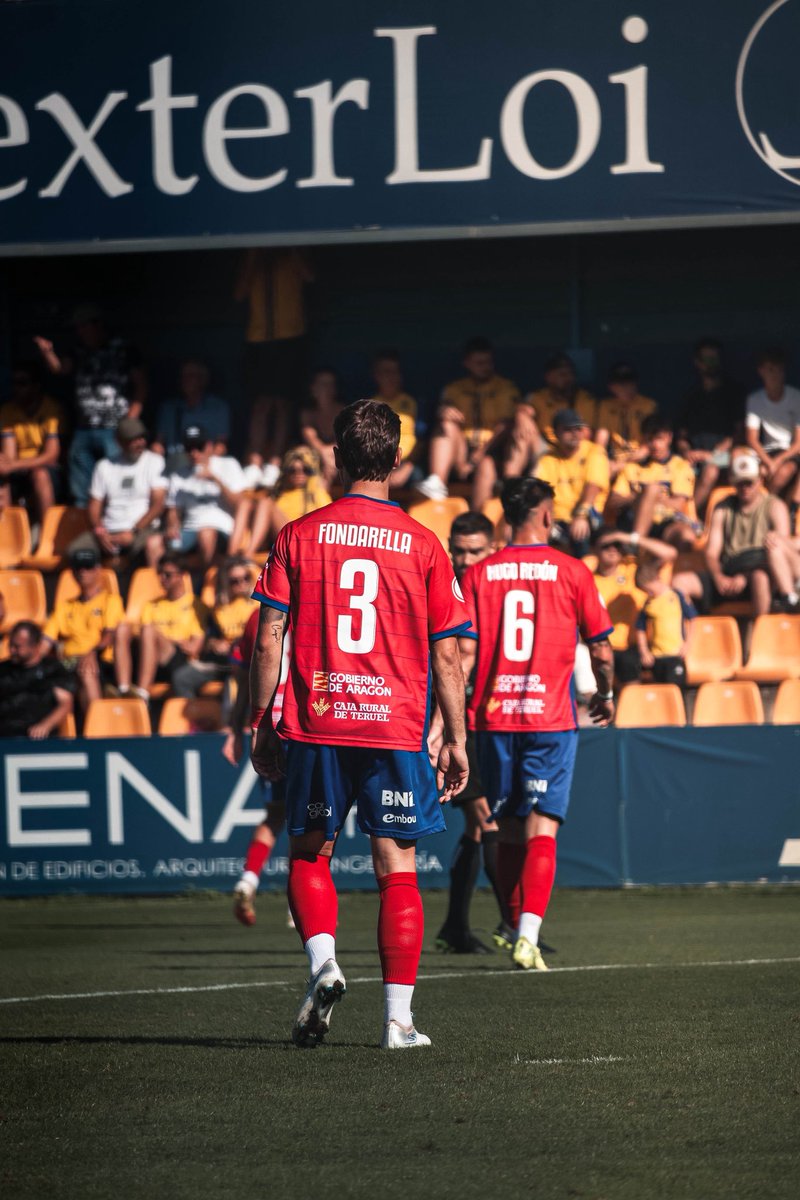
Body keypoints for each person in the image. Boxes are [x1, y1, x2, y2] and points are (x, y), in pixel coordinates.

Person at [250, 399, 470, 1050]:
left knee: (309, 853)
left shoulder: (297, 533)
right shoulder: (425, 543)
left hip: (318, 720)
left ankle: (324, 965)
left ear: (337, 458)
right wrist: (454, 735)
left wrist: (263, 720)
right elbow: (450, 653)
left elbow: (268, 640)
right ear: (398, 459)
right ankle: (398, 1023)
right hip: (395, 725)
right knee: (396, 865)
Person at [459, 477, 614, 972]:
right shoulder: (572, 571)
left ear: (506, 516)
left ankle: (510, 924)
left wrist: (446, 716)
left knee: (503, 829)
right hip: (550, 719)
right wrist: (606, 693)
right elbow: (602, 647)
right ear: (547, 515)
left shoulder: (480, 574)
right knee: (542, 826)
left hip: (492, 719)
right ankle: (527, 935)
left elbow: (461, 651)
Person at [431, 512, 512, 955]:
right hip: (456, 723)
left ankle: (454, 928)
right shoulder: (448, 586)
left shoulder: (486, 586)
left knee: (479, 827)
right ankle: (515, 925)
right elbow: (461, 659)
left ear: (491, 549)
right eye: (458, 550)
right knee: (486, 819)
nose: (464, 559)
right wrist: (442, 728)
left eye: (474, 551)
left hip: (483, 719)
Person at [35, 304, 147, 507]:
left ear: (97, 325)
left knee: (116, 479)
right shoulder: (78, 350)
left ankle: (115, 523)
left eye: (83, 326)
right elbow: (60, 369)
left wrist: (130, 421)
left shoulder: (122, 348)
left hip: (115, 428)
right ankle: (83, 526)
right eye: (77, 327)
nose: (80, 331)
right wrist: (48, 353)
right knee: (81, 484)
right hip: (84, 427)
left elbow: (140, 385)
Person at [672, 451, 800, 617]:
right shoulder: (722, 507)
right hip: (729, 569)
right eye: (740, 483)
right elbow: (711, 552)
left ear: (760, 481)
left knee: (759, 577)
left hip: (762, 569)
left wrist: (745, 577)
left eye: (749, 482)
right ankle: (690, 633)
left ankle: (763, 634)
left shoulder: (775, 506)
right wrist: (718, 577)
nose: (744, 488)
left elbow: (780, 553)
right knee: (679, 582)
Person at [224, 605, 290, 927]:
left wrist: (237, 729)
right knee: (314, 818)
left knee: (276, 813)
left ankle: (247, 880)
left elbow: (243, 675)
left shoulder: (257, 616)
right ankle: (301, 902)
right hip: (307, 723)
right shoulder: (316, 603)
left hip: (270, 724)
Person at [415, 336, 527, 502]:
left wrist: (479, 455)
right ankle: (437, 480)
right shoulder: (454, 389)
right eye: (479, 363)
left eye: (488, 362)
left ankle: (478, 520)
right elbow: (443, 411)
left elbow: (506, 426)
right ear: (467, 363)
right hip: (462, 449)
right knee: (446, 423)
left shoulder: (506, 387)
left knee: (486, 464)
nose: (485, 367)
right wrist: (444, 411)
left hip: (493, 449)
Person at [114, 552, 209, 701]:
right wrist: (173, 639)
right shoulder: (151, 605)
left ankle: (142, 694)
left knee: (149, 630)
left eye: (168, 574)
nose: (162, 578)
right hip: (152, 655)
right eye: (160, 573)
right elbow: (143, 635)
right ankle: (123, 689)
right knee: (123, 628)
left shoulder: (196, 605)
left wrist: (166, 639)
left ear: (182, 575)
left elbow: (193, 647)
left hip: (179, 660)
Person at [591, 528, 677, 685]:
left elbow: (669, 553)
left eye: (617, 545)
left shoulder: (632, 569)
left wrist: (625, 536)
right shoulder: (588, 575)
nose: (612, 549)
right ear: (595, 549)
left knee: (629, 668)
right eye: (607, 545)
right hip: (599, 646)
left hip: (632, 647)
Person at [44, 547, 125, 713]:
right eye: (78, 567)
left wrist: (91, 653)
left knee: (87, 670)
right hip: (68, 661)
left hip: (100, 660)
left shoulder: (111, 601)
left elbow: (108, 636)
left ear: (98, 569)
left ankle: (98, 729)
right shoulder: (64, 606)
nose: (83, 572)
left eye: (88, 567)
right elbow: (46, 641)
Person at [80, 417, 167, 569]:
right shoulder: (104, 466)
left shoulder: (155, 461)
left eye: (142, 437)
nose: (140, 443)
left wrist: (133, 531)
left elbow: (158, 505)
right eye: (133, 439)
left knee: (143, 550)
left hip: (142, 529)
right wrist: (100, 531)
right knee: (77, 552)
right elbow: (94, 505)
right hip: (109, 530)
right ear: (120, 442)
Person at [606, 416, 698, 551]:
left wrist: (650, 500)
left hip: (664, 522)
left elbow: (678, 504)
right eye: (650, 439)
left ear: (669, 437)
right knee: (652, 489)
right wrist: (641, 498)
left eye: (660, 439)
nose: (655, 445)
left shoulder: (680, 466)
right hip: (631, 521)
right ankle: (635, 543)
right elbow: (613, 502)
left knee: (686, 535)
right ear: (643, 440)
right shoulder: (632, 467)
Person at [676, 338, 744, 513]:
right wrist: (686, 452)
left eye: (715, 359)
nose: (711, 364)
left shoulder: (733, 392)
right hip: (694, 457)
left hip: (722, 456)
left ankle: (688, 517)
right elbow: (681, 437)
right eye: (707, 359)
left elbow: (738, 433)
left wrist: (713, 453)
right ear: (697, 362)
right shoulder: (690, 395)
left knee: (711, 470)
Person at [162, 425, 246, 566]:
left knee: (206, 534)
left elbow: (240, 504)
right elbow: (173, 511)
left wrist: (215, 479)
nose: (194, 453)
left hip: (222, 528)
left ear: (209, 445)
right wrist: (172, 526)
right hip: (190, 529)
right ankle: (159, 586)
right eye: (189, 448)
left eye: (199, 447)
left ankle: (208, 585)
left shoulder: (228, 464)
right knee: (154, 543)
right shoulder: (178, 475)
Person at [535, 409, 610, 557]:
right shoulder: (547, 459)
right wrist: (547, 520)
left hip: (587, 513)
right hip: (558, 519)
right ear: (556, 433)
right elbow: (542, 494)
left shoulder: (594, 451)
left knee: (580, 534)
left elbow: (593, 486)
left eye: (578, 429)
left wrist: (581, 515)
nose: (575, 433)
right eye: (568, 430)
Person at [234, 445, 332, 557]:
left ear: (311, 471)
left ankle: (247, 556)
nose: (298, 474)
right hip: (278, 539)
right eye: (292, 470)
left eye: (305, 470)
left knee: (266, 503)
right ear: (285, 471)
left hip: (301, 542)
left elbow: (326, 524)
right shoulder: (278, 493)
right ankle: (232, 555)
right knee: (246, 503)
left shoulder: (317, 493)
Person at [0, 360, 66, 525]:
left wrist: (12, 465)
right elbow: (9, 455)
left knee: (39, 474)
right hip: (18, 469)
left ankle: (47, 535)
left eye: (22, 383)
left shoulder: (51, 409)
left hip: (47, 470)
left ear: (36, 386)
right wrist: (6, 466)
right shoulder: (7, 411)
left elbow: (51, 456)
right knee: (2, 477)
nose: (17, 388)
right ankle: (8, 535)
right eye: (14, 383)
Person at [0, 621, 74, 739]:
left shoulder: (52, 669)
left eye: (17, 647)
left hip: (37, 738)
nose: (12, 650)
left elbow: (66, 703)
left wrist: (45, 725)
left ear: (35, 646)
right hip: (5, 735)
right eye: (11, 645)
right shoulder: (3, 669)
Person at [745, 348, 800, 503]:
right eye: (770, 370)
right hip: (766, 452)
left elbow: (798, 444)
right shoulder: (754, 400)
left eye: (778, 370)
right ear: (761, 371)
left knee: (784, 472)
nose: (774, 374)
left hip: (790, 453)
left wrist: (776, 463)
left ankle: (768, 509)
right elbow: (752, 439)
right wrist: (768, 463)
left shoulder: (796, 397)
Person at [155, 359, 231, 470]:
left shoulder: (218, 408)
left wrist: (202, 460)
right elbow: (158, 443)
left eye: (191, 375)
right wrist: (156, 453)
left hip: (206, 465)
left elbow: (221, 446)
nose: (186, 380)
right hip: (174, 465)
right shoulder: (169, 408)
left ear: (203, 379)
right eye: (183, 376)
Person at [633, 560, 695, 689]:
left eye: (649, 589)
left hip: (676, 654)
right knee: (660, 690)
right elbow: (640, 628)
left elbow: (693, 619)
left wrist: (688, 643)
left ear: (656, 579)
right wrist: (644, 651)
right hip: (657, 656)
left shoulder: (677, 596)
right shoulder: (648, 603)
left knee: (676, 690)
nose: (648, 594)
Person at [592, 362, 657, 478]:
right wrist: (601, 461)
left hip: (640, 458)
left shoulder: (648, 405)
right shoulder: (605, 406)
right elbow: (600, 441)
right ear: (611, 387)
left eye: (630, 383)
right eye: (621, 384)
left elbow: (648, 446)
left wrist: (622, 464)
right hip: (615, 457)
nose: (626, 388)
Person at [369, 349, 420, 489]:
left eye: (395, 371)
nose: (391, 377)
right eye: (386, 372)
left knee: (418, 478)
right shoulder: (368, 405)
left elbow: (422, 440)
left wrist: (407, 468)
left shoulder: (414, 402)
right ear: (376, 375)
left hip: (407, 464)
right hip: (377, 465)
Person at [525, 353, 595, 447]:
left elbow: (586, 433)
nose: (568, 378)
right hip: (545, 447)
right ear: (549, 377)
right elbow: (523, 409)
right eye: (562, 374)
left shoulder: (584, 399)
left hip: (572, 447)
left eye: (571, 374)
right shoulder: (538, 397)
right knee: (521, 432)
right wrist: (522, 418)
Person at [298, 367, 347, 488]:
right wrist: (325, 456)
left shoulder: (343, 410)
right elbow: (312, 440)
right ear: (313, 388)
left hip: (339, 457)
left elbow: (344, 441)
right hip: (320, 458)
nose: (327, 388)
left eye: (330, 384)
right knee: (305, 456)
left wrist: (328, 456)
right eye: (323, 384)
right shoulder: (308, 413)